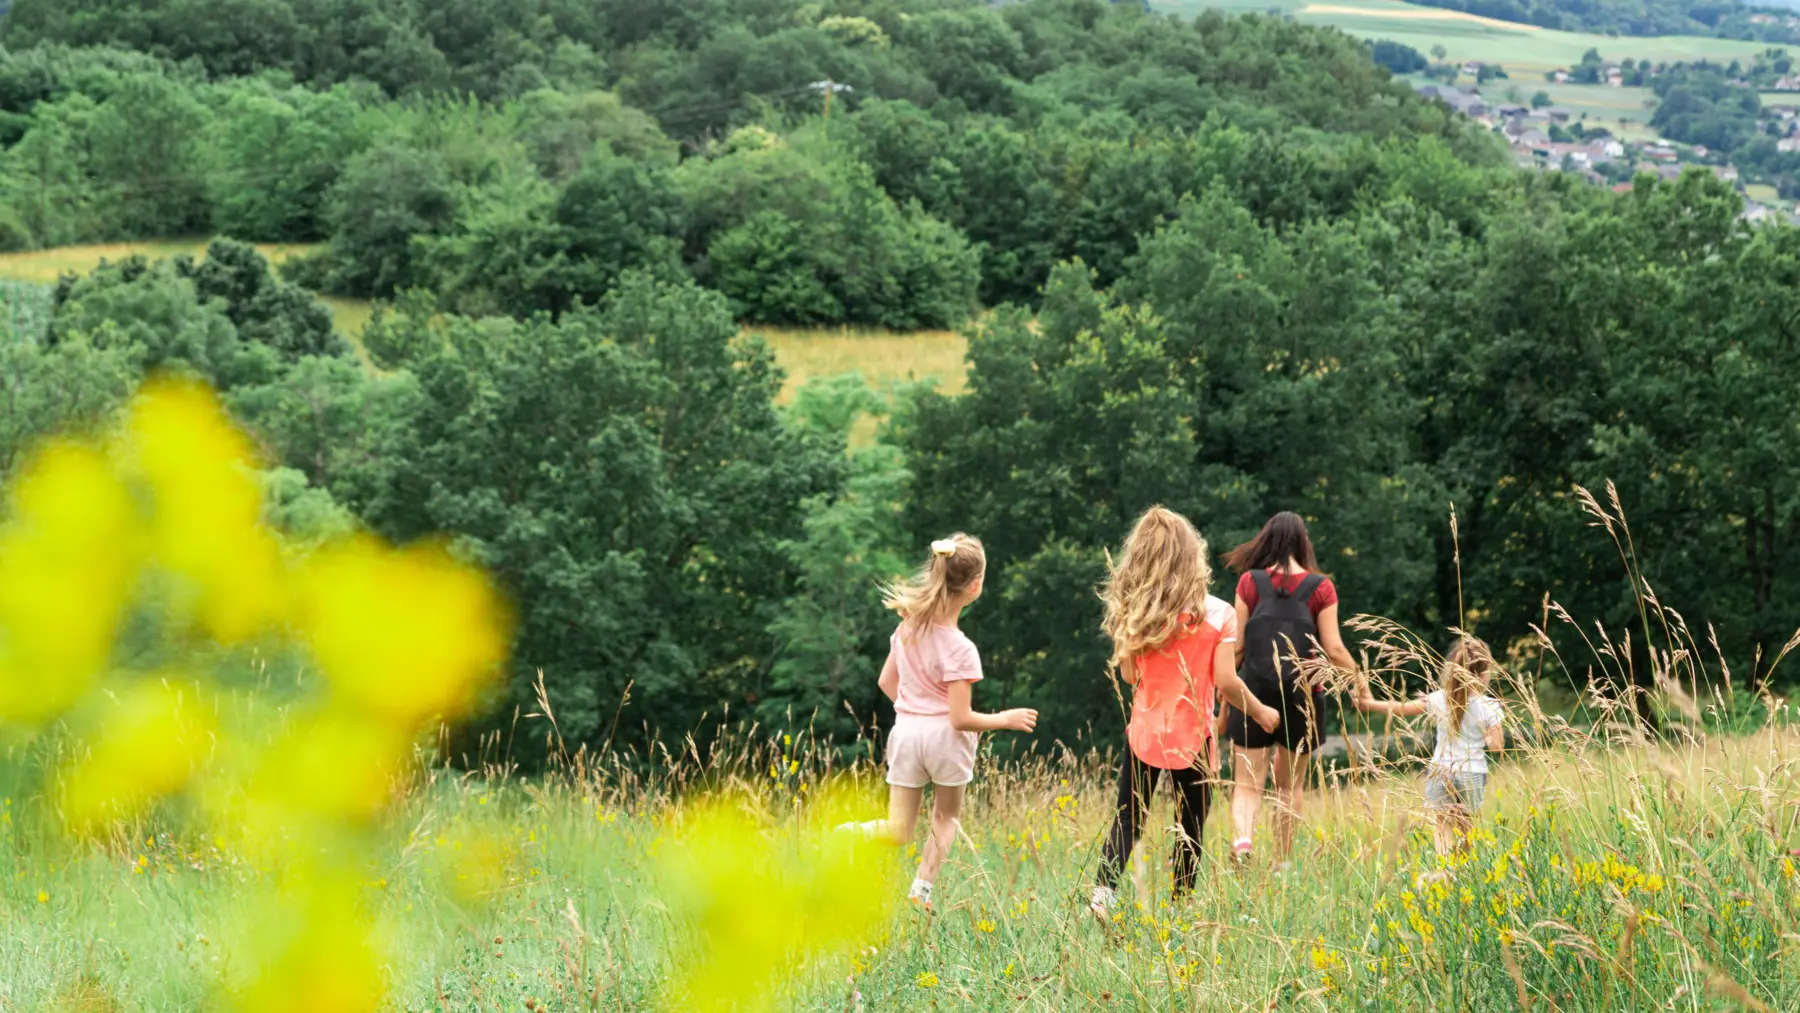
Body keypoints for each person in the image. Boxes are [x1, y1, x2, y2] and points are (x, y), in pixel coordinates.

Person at [1089, 508, 1281, 917]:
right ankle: (1180, 909)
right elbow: (1227, 682)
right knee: (1190, 825)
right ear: (1193, 556)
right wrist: (1262, 711)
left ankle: (1102, 895)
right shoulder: (1218, 613)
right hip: (1194, 736)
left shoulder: (1138, 613)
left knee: (1128, 819)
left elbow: (1128, 676)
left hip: (1144, 733)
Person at [839, 534, 1038, 909]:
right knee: (946, 818)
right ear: (975, 586)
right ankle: (921, 891)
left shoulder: (907, 629)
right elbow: (960, 718)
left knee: (898, 830)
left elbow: (886, 682)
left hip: (907, 734)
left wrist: (915, 708)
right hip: (945, 740)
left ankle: (846, 835)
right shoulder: (961, 648)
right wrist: (1005, 719)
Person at [1221, 511, 1358, 868]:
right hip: (1304, 695)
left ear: (1266, 540)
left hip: (1252, 690)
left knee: (1247, 782)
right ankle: (1282, 863)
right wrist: (1359, 680)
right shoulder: (1321, 587)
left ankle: (1244, 843)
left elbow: (1236, 647)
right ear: (1303, 542)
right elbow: (1335, 647)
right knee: (1289, 786)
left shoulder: (1249, 583)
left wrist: (1225, 693)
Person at [1353, 636, 1504, 860]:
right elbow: (1497, 748)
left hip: (1440, 771)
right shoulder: (1489, 707)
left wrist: (1368, 704)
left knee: (1442, 828)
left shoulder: (1439, 699)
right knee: (1466, 828)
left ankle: (1444, 872)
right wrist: (1486, 734)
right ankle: (1465, 874)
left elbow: (1401, 708)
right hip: (1472, 772)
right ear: (1483, 674)